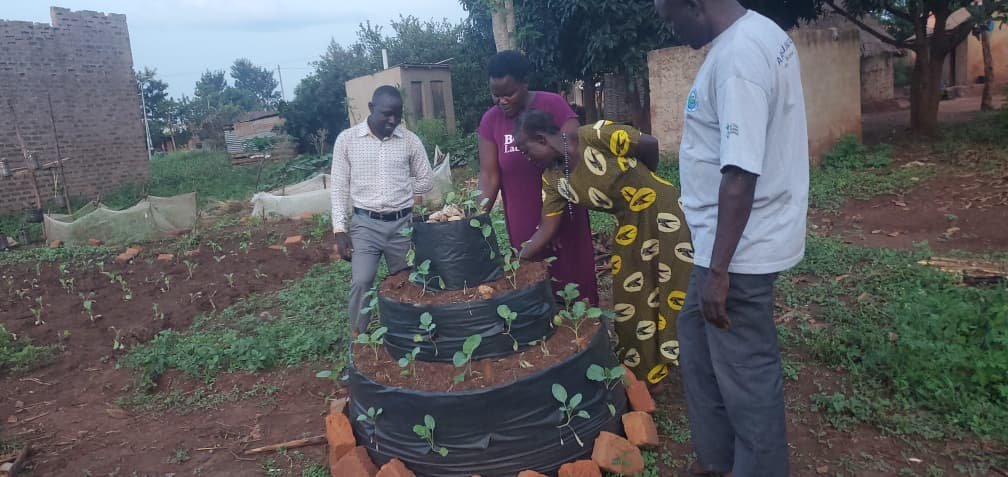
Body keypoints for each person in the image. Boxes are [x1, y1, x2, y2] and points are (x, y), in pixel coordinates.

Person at [654, 0, 809, 476]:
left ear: (693, 5)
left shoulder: (739, 58)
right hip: (719, 245)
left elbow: (740, 174)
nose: (671, 28)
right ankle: (718, 460)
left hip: (738, 252)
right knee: (695, 339)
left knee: (746, 374)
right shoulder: (756, 35)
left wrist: (719, 273)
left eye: (670, 17)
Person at [514, 109, 693, 386]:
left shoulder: (594, 136)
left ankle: (690, 359)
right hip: (629, 225)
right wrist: (517, 260)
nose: (528, 159)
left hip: (662, 213)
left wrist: (645, 181)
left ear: (541, 139)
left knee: (674, 288)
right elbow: (547, 228)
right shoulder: (553, 179)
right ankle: (648, 375)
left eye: (527, 152)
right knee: (631, 300)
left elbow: (649, 144)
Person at [476, 50, 599, 304]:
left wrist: (554, 224)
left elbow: (572, 154)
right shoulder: (490, 121)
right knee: (533, 294)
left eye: (509, 93)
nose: (501, 101)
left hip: (565, 218)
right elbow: (489, 176)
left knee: (578, 295)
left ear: (525, 83)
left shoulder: (553, 105)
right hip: (524, 224)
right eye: (496, 95)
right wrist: (474, 221)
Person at [331, 85, 434, 333]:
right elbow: (339, 186)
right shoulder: (347, 140)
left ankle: (410, 338)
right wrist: (339, 230)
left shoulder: (409, 140)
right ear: (371, 108)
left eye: (398, 114)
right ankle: (359, 342)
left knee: (408, 282)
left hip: (402, 226)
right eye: (387, 114)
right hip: (365, 225)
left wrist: (403, 188)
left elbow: (426, 179)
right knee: (361, 281)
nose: (393, 120)